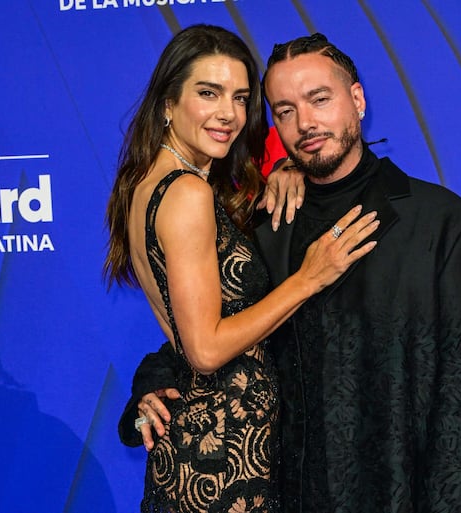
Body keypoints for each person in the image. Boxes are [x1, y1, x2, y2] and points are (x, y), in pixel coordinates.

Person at [134, 32, 461, 512]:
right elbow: (210, 328)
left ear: (358, 100)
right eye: (284, 110)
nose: (305, 122)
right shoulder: (261, 223)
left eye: (319, 99)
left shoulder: (445, 226)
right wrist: (153, 383)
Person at [105, 26, 379, 513]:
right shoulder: (187, 194)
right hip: (222, 455)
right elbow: (206, 349)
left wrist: (284, 168)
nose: (227, 114)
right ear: (168, 102)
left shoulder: (150, 184)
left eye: (239, 97)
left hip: (216, 446)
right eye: (207, 93)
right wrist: (308, 278)